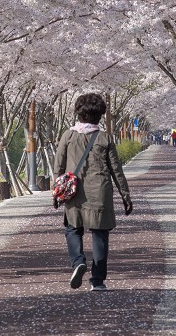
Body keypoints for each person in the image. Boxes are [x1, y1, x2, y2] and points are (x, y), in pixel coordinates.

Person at [53, 92, 132, 291]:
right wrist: (125, 195)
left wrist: (55, 192)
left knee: (73, 229)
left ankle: (78, 261)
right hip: (100, 191)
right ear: (100, 115)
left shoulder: (68, 136)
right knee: (100, 234)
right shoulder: (105, 138)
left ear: (78, 113)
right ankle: (97, 281)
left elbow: (58, 167)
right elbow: (116, 169)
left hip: (74, 191)